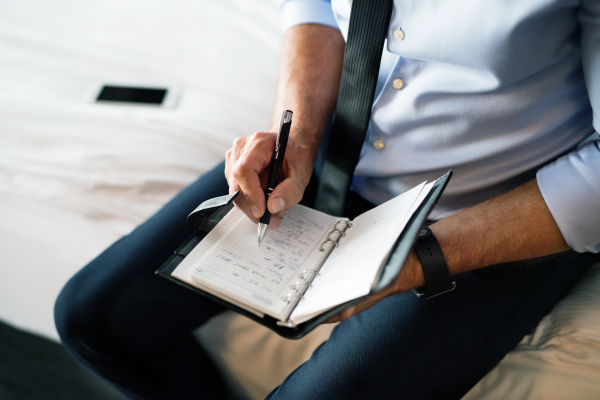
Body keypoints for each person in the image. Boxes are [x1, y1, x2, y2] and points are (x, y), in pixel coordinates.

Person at [55, 0, 600, 399]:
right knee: (92, 318)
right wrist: (298, 138)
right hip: (334, 151)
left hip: (496, 213)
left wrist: (418, 262)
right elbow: (319, 7)